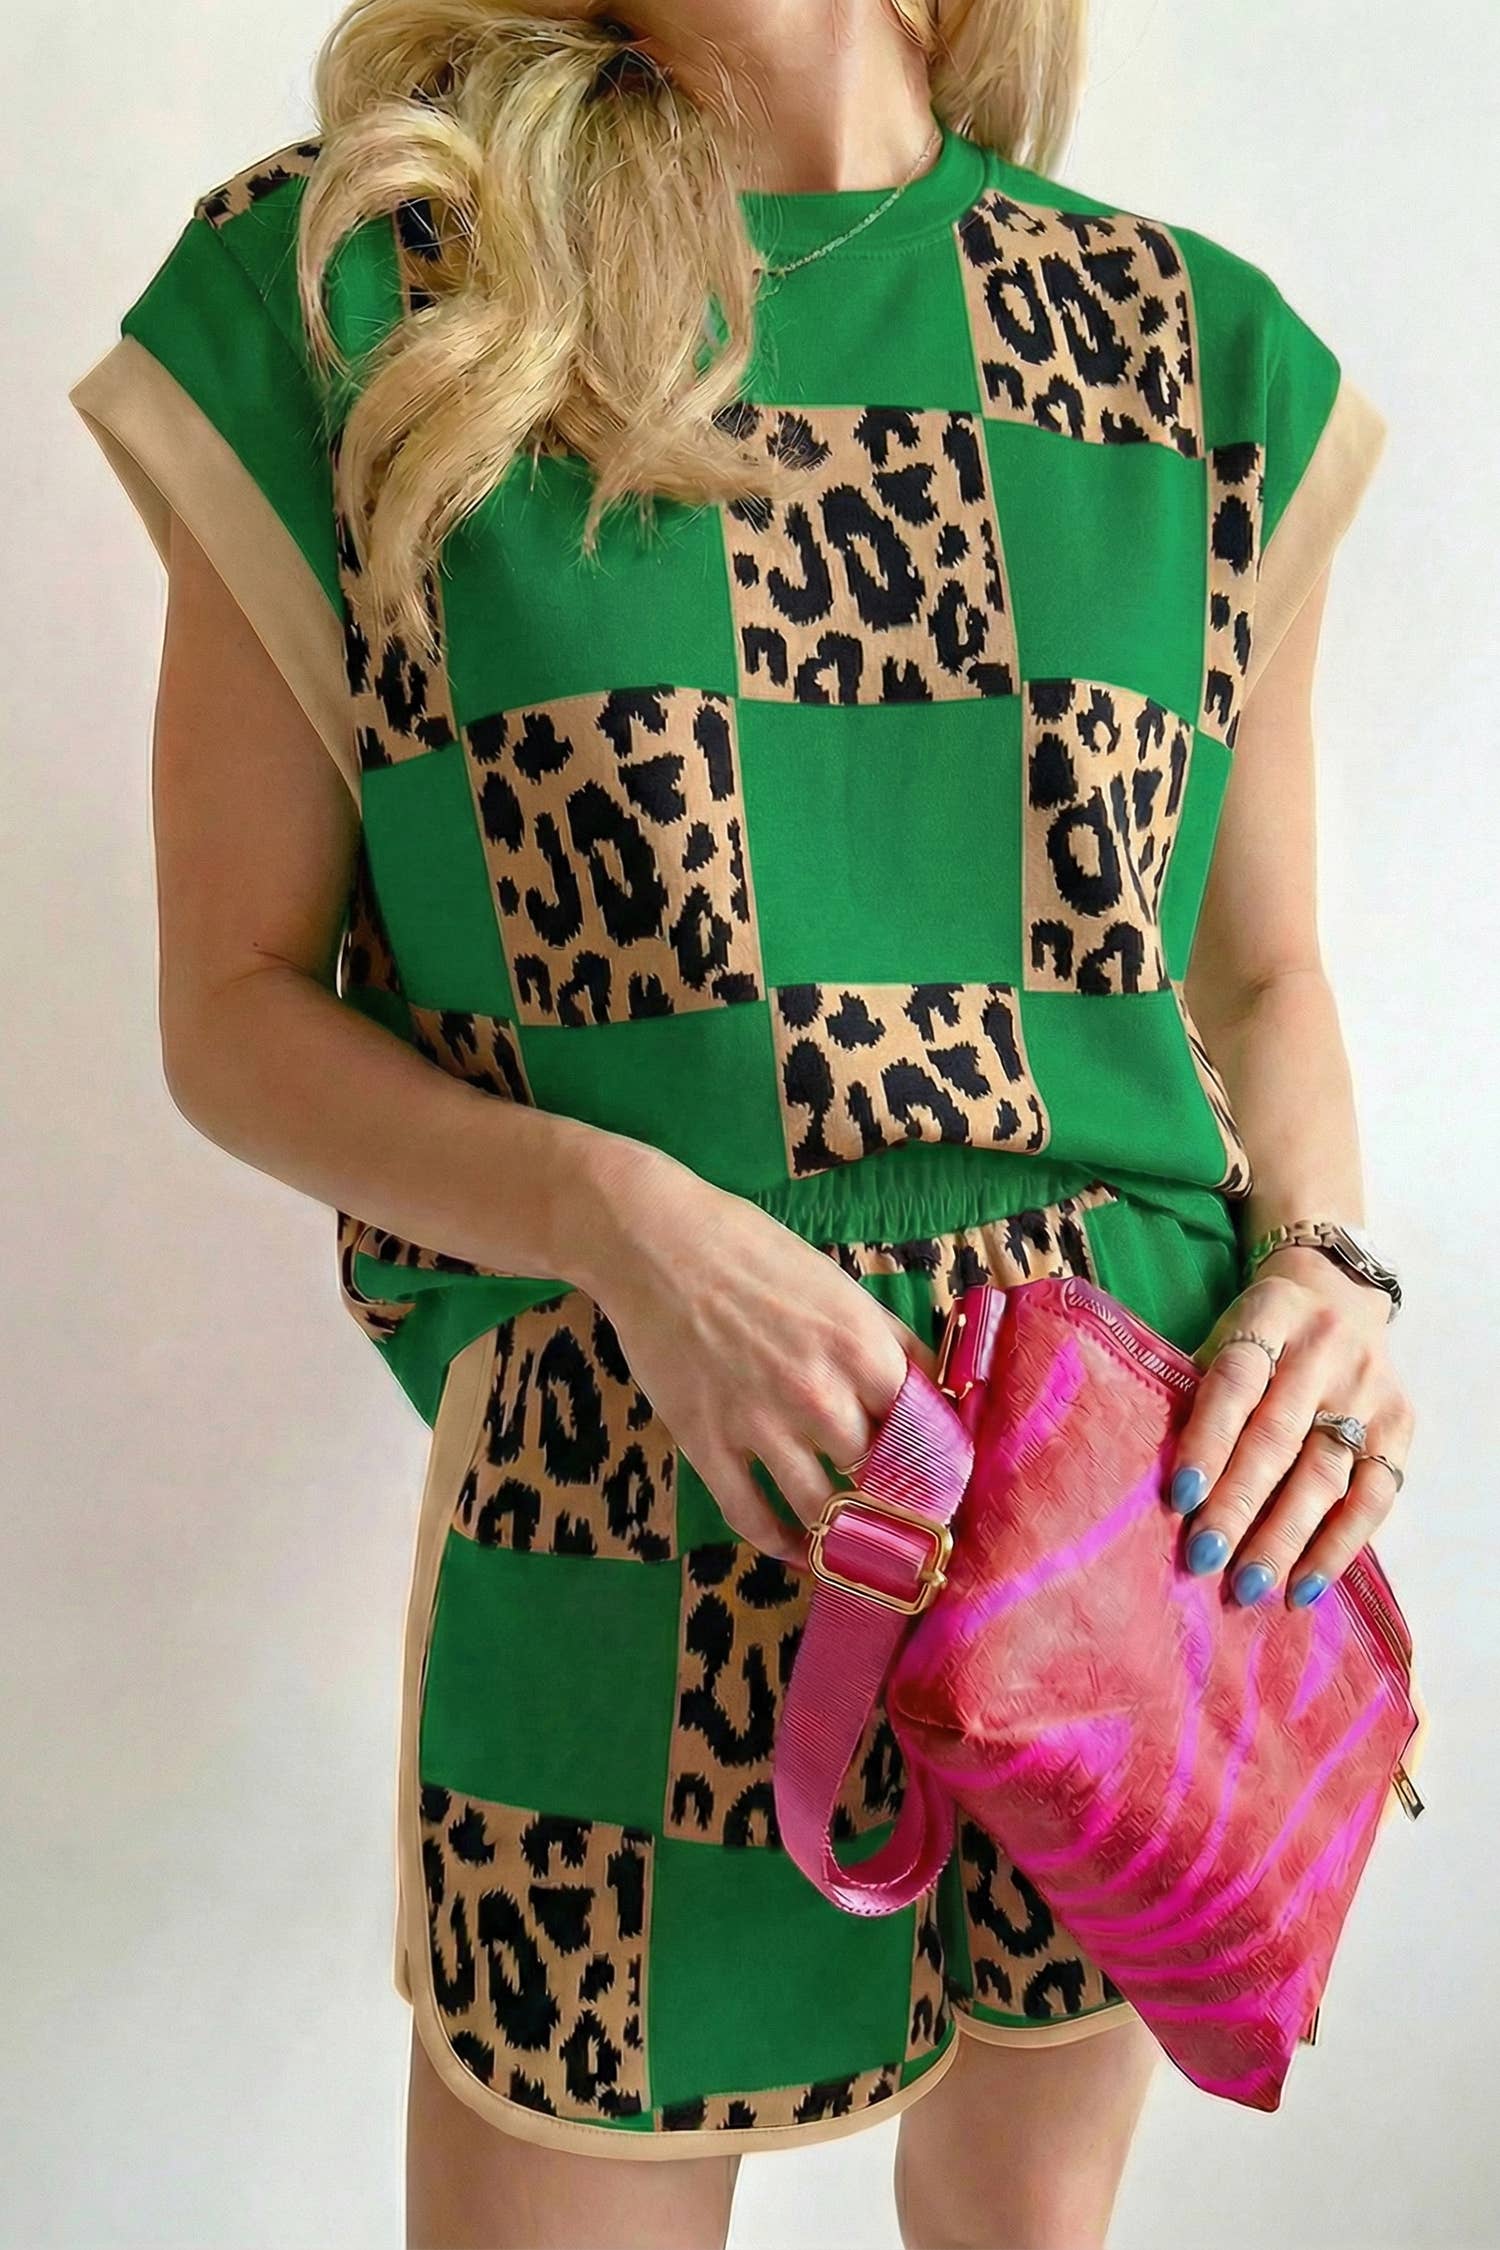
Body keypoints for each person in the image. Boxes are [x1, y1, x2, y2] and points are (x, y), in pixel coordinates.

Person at [69, 1, 1414, 2243]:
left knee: (1024, 2226)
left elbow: (1259, 973)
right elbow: (232, 1006)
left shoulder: (1193, 354)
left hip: (1120, 1498)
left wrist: (1332, 1273)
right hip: (623, 1481)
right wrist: (621, 1217)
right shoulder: (374, 290)